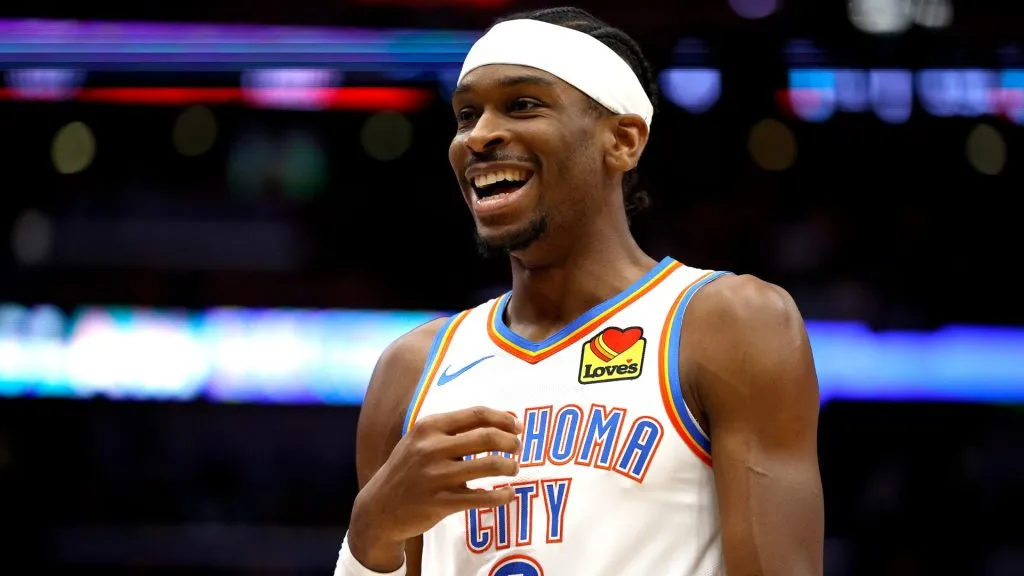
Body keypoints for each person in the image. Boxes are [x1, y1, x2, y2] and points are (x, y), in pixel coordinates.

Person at [335, 6, 824, 576]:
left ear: (622, 140)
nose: (480, 135)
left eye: (522, 104)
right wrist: (369, 536)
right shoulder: (409, 370)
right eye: (467, 114)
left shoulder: (726, 324)